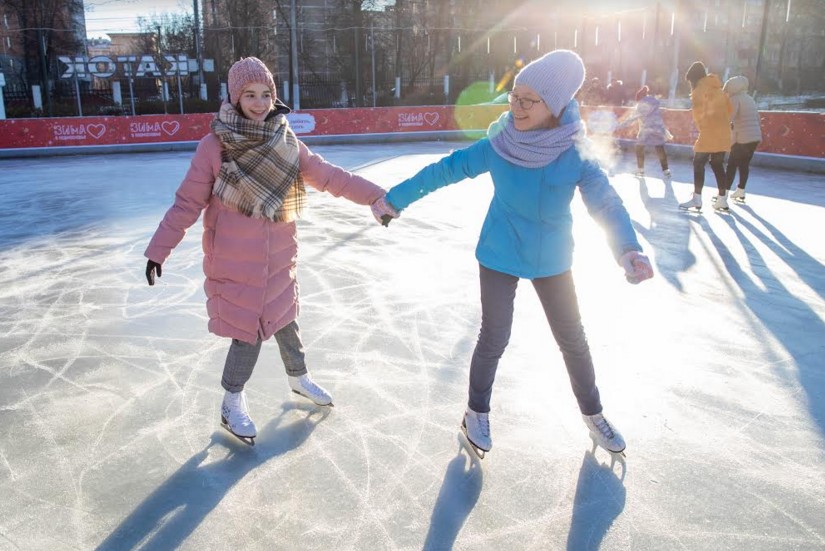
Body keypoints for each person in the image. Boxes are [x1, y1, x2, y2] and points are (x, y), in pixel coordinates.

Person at [381, 50, 654, 460]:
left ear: (555, 106)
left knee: (573, 341)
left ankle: (593, 413)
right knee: (494, 336)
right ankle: (476, 412)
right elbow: (445, 170)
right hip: (500, 252)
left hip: (553, 258)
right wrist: (395, 199)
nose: (517, 107)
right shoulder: (499, 144)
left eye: (530, 100)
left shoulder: (574, 152)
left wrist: (628, 249)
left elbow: (606, 203)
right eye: (514, 97)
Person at [143, 57, 398, 445]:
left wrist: (375, 196)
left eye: (266, 94)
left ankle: (299, 378)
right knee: (248, 333)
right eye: (250, 94)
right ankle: (232, 401)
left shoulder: (287, 142)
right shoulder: (215, 146)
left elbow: (330, 177)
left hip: (279, 256)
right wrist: (159, 249)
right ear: (235, 97)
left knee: (285, 317)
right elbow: (187, 203)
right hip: (234, 260)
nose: (260, 103)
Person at [679, 61, 733, 212]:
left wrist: (703, 127)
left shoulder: (698, 90)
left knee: (698, 163)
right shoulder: (719, 89)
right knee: (717, 164)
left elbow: (698, 114)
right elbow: (729, 109)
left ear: (693, 78)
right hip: (724, 131)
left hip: (710, 131)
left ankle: (697, 199)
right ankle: (722, 199)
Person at [723, 75, 762, 203]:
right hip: (754, 137)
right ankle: (741, 190)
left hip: (742, 138)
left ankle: (724, 194)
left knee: (732, 165)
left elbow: (729, 117)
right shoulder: (750, 99)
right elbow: (757, 118)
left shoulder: (735, 99)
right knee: (744, 164)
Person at [619, 85, 671, 178]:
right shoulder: (655, 102)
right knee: (660, 149)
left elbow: (633, 117)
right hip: (658, 128)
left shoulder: (641, 104)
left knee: (639, 148)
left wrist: (620, 125)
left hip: (646, 129)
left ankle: (640, 171)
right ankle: (666, 171)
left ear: (639, 98)